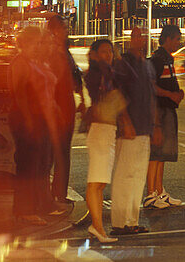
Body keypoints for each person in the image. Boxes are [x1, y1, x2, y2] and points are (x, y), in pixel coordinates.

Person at [111, 26, 160, 236]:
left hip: (144, 127)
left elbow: (151, 95)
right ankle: (120, 222)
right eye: (138, 35)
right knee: (124, 175)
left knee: (138, 176)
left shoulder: (146, 64)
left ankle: (131, 220)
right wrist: (125, 120)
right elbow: (117, 93)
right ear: (131, 38)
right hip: (129, 128)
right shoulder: (123, 64)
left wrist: (156, 125)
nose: (141, 39)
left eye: (144, 36)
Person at [9, 24, 58, 225]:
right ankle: (24, 209)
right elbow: (19, 93)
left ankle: (35, 205)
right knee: (28, 165)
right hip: (27, 119)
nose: (40, 46)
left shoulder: (34, 62)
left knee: (39, 164)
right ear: (27, 42)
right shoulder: (20, 63)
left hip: (40, 119)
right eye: (37, 42)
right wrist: (28, 118)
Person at [83, 38, 124, 244]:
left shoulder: (107, 73)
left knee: (100, 182)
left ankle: (97, 226)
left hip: (107, 129)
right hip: (100, 129)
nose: (109, 55)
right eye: (104, 52)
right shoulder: (96, 74)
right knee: (96, 181)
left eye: (111, 51)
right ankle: (97, 226)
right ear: (95, 54)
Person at [44, 13, 82, 208]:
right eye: (64, 28)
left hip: (66, 105)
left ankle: (59, 192)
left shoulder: (64, 51)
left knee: (63, 152)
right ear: (55, 31)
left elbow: (74, 75)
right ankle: (49, 195)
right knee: (54, 152)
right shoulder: (52, 52)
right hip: (58, 106)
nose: (67, 31)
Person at [144, 23, 184, 209]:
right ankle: (151, 193)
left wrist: (176, 94)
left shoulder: (168, 58)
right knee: (156, 153)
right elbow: (151, 86)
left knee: (164, 154)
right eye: (176, 39)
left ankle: (159, 191)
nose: (178, 43)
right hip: (160, 111)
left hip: (168, 109)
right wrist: (171, 95)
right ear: (167, 39)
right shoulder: (158, 59)